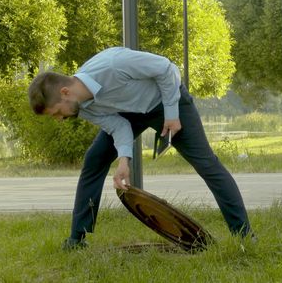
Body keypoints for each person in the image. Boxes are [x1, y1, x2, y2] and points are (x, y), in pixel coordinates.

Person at [28, 47, 252, 250]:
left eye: (57, 112)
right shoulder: (82, 107)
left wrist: (172, 114)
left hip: (167, 100)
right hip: (130, 114)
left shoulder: (112, 64)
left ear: (65, 92)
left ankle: (244, 235)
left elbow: (167, 69)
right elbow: (119, 125)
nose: (59, 119)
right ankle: (77, 239)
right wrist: (124, 160)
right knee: (94, 159)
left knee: (207, 164)